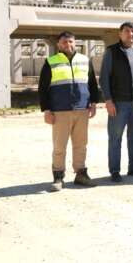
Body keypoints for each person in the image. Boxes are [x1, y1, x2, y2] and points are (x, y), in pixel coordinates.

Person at [39, 31, 99, 191]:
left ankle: (81, 174)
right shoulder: (51, 61)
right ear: (58, 45)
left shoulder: (85, 60)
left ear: (75, 42)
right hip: (60, 110)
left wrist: (94, 103)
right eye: (64, 42)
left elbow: (92, 84)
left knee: (81, 144)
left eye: (71, 41)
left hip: (82, 109)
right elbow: (43, 88)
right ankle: (58, 177)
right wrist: (46, 110)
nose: (68, 45)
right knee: (59, 146)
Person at [100, 21, 133, 182]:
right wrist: (108, 100)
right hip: (119, 103)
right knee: (115, 137)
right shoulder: (112, 52)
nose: (131, 34)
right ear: (120, 34)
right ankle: (115, 170)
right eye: (127, 31)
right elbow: (104, 78)